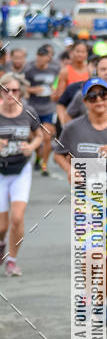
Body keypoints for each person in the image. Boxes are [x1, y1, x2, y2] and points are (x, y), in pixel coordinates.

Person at [54, 77, 107, 326]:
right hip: (86, 195)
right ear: (85, 101)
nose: (99, 100)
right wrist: (69, 169)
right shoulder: (73, 128)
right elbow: (59, 154)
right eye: (93, 96)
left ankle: (100, 302)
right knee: (90, 252)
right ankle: (88, 298)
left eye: (103, 95)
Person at [0, 73, 43, 276]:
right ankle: (1, 242)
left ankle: (12, 260)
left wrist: (31, 147)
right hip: (1, 171)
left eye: (15, 90)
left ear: (21, 92)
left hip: (20, 170)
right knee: (2, 226)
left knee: (17, 218)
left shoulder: (28, 112)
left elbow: (39, 135)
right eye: (6, 90)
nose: (11, 94)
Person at [24, 45, 59, 176]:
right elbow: (23, 88)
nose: (40, 60)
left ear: (48, 58)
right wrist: (34, 90)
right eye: (39, 57)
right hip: (33, 109)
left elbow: (57, 84)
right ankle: (38, 157)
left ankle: (44, 165)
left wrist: (55, 90)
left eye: (43, 57)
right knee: (34, 138)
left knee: (47, 138)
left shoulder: (54, 70)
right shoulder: (30, 71)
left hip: (48, 108)